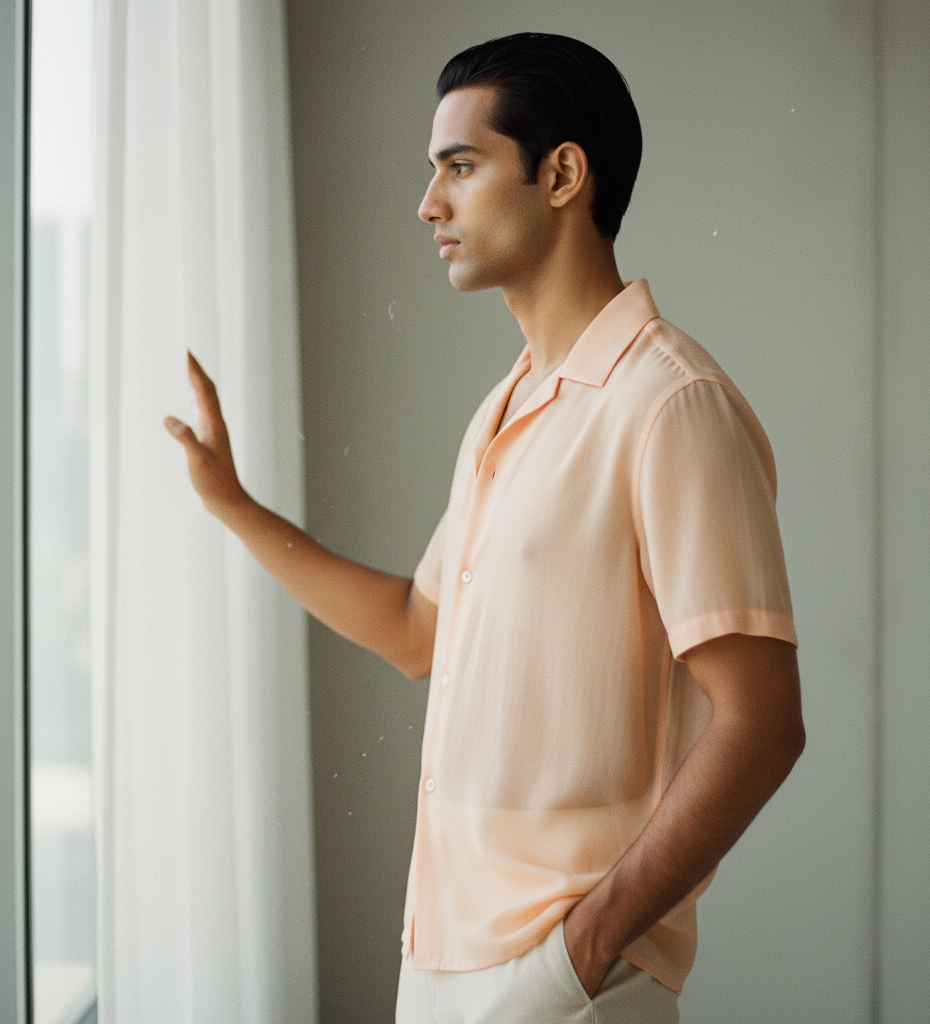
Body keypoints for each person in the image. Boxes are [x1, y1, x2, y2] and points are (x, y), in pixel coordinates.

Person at [165, 32, 804, 1024]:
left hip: (564, 980)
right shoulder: (505, 409)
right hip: (440, 964)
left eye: (460, 166)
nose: (429, 204)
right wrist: (234, 508)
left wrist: (581, 954)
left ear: (561, 175)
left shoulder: (669, 405)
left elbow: (763, 722)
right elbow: (420, 632)